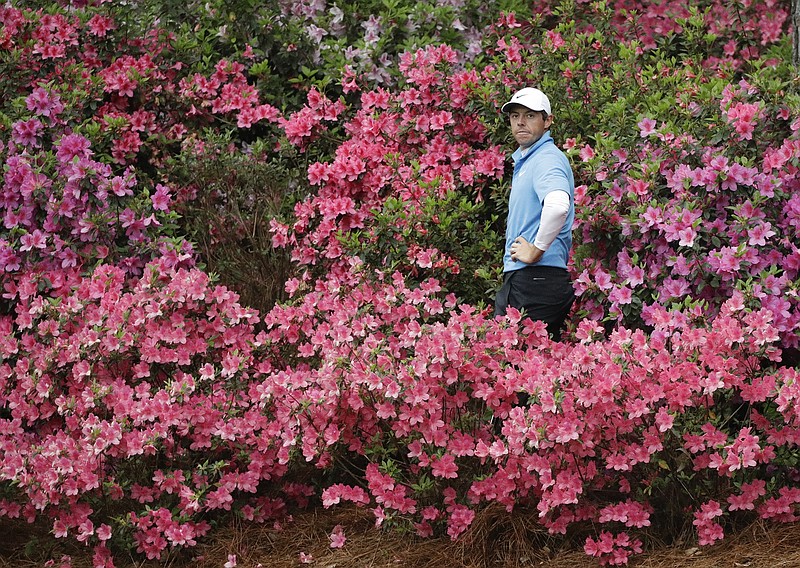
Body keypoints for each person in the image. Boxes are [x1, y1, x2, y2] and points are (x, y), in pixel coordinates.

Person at [494, 87, 575, 342]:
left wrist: (536, 249)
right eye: (515, 115)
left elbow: (558, 204)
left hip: (536, 279)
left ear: (547, 120)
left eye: (530, 115)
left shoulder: (546, 159)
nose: (520, 122)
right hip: (530, 279)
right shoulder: (530, 159)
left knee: (515, 367)